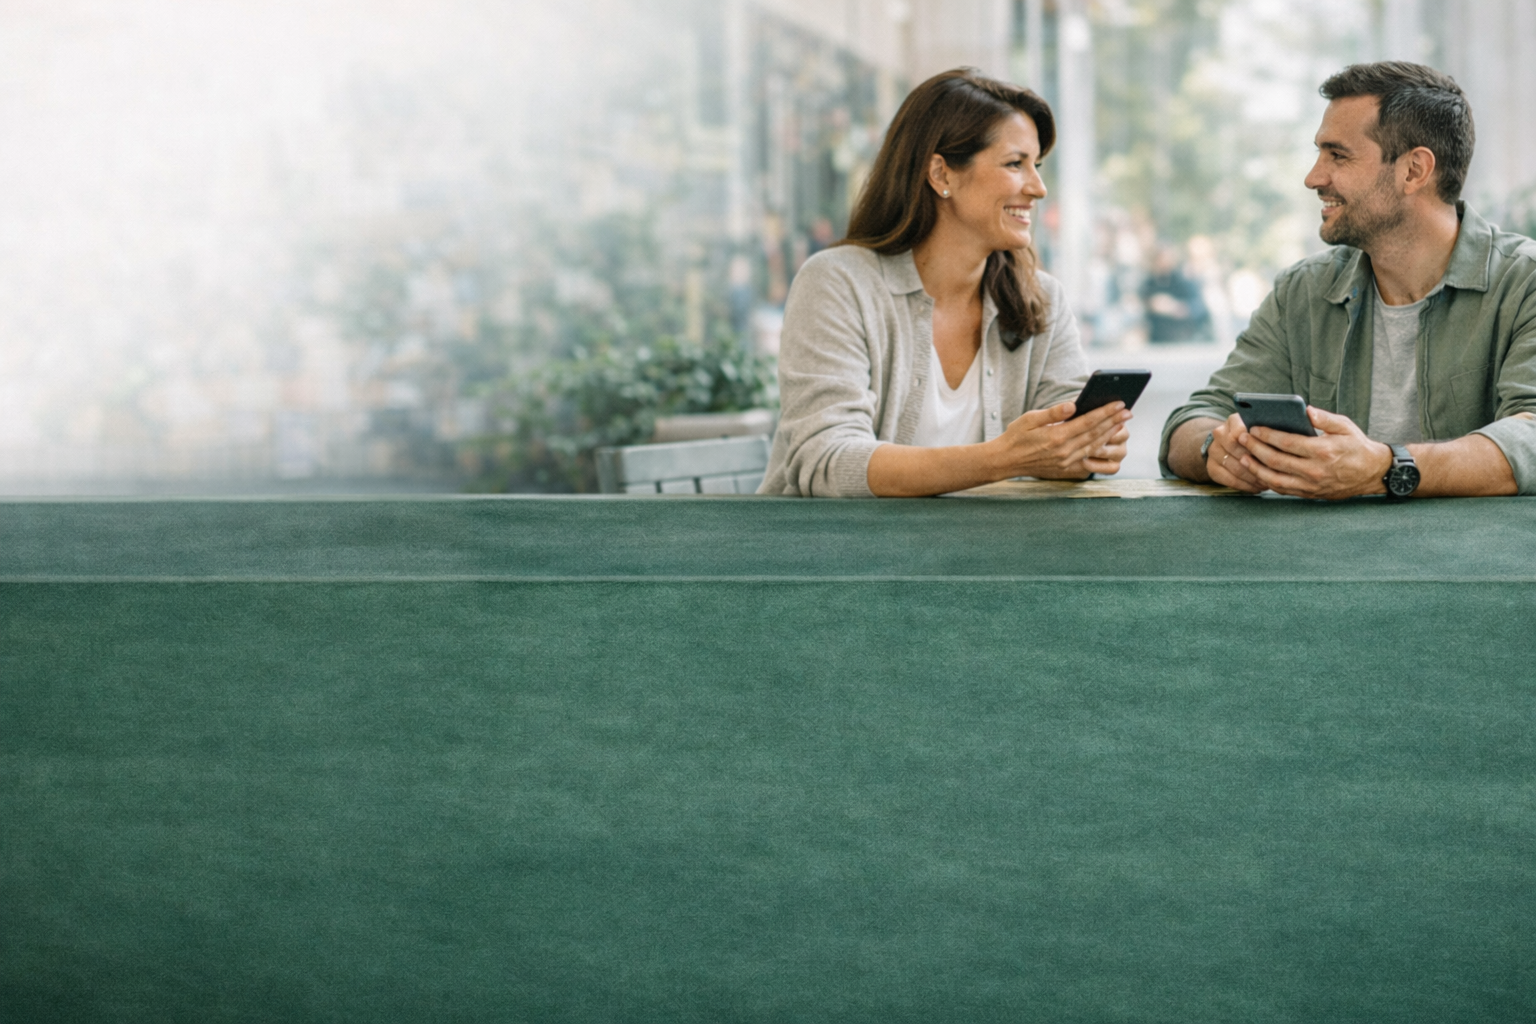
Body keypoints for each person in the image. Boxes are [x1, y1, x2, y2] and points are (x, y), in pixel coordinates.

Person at [1162, 61, 1536, 499]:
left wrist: (1387, 468)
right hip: (1326, 562)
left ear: (1414, 170)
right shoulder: (1302, 292)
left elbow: (1531, 437)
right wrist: (1216, 448)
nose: (1313, 177)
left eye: (1337, 155)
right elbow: (1191, 422)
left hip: (1478, 564)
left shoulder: (1524, 283)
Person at [758, 69, 1130, 497]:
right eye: (1015, 164)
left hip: (971, 561)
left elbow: (1058, 444)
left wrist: (1080, 451)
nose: (1038, 188)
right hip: (835, 558)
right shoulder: (838, 283)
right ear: (941, 174)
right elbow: (826, 462)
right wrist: (1004, 458)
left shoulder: (1042, 298)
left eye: (1037, 166)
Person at [1140, 243, 1211, 343]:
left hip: (1180, 337)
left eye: (1166, 259)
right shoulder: (1148, 284)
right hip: (1156, 338)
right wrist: (1150, 305)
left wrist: (1176, 307)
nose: (1163, 263)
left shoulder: (1183, 282)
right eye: (1159, 259)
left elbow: (1200, 308)